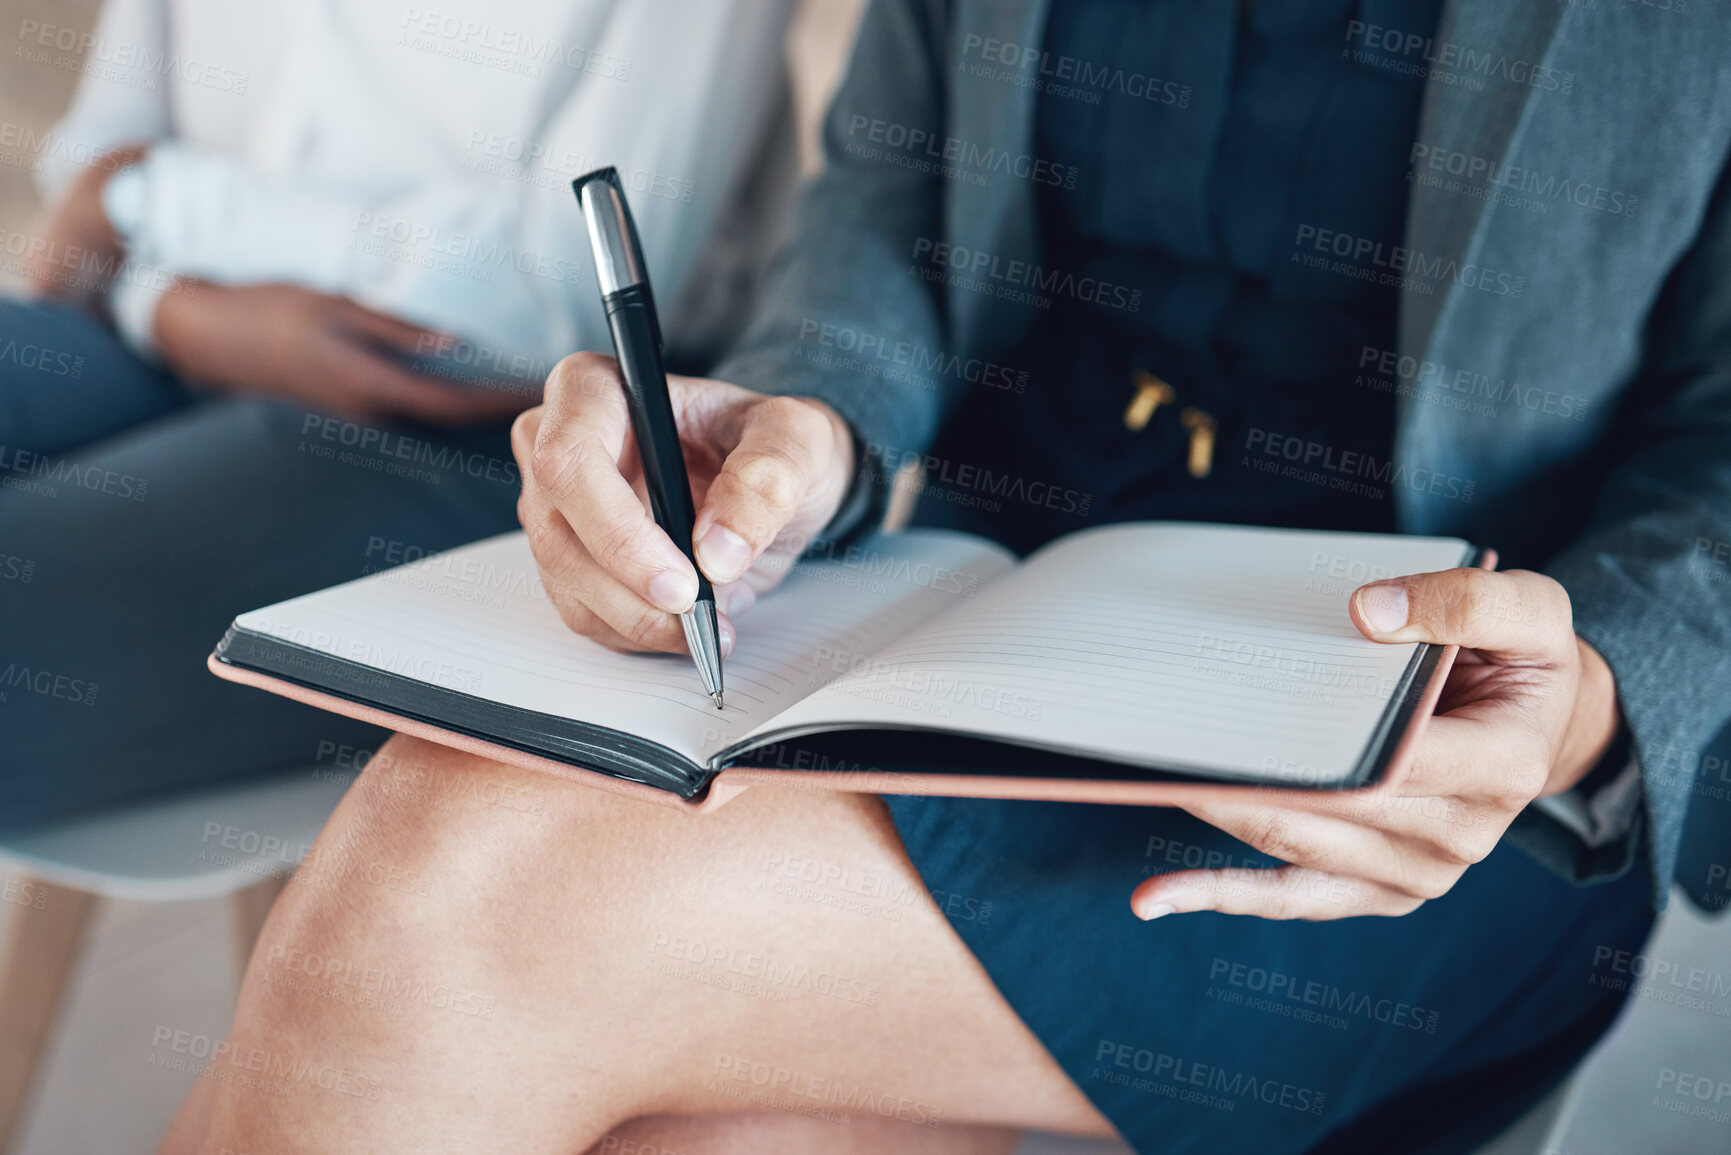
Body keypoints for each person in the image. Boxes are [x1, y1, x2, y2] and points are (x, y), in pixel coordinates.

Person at [161, 1, 1731, 1153]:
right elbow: (886, 208)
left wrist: (1596, 701)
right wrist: (802, 441)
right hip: (977, 614)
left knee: (442, 886)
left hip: (1431, 745)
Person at [0, 0, 796, 822]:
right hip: (161, 319)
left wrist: (149, 202)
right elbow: (88, 182)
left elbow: (550, 295)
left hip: (483, 419)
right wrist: (173, 307)